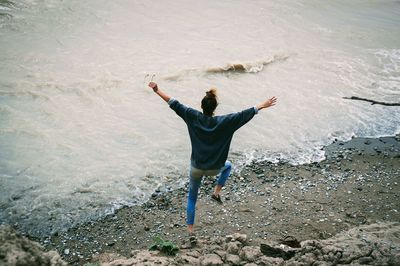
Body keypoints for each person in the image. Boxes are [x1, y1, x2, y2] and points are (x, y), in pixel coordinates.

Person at [147, 82, 277, 237]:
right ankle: (216, 192)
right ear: (215, 107)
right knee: (228, 166)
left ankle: (190, 231)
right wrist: (263, 105)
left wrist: (157, 90)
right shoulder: (226, 121)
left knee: (192, 199)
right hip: (215, 168)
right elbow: (245, 114)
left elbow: (174, 103)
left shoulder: (192, 116)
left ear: (202, 106)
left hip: (196, 168)